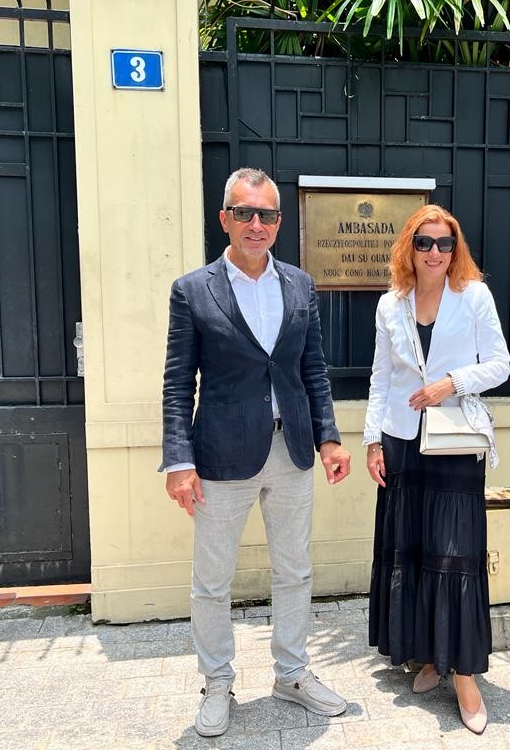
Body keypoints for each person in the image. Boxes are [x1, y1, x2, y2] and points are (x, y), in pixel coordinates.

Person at [160, 167, 352, 737]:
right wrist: (179, 461)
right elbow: (178, 382)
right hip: (220, 457)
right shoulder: (193, 290)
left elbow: (312, 370)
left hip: (291, 450)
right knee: (212, 580)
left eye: (266, 214)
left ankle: (291, 673)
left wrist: (329, 438)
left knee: (294, 570)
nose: (255, 224)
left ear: (278, 222)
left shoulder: (299, 285)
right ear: (225, 218)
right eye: (244, 212)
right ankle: (217, 683)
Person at [363, 204, 510, 735]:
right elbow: (381, 377)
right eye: (424, 242)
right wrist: (372, 441)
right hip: (402, 441)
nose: (434, 252)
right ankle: (429, 656)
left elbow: (500, 364)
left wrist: (452, 382)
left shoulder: (474, 296)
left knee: (455, 555)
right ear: (409, 246)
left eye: (444, 243)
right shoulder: (391, 303)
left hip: (454, 441)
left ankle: (464, 675)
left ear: (455, 249)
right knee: (415, 550)